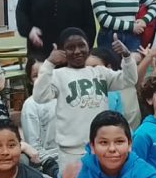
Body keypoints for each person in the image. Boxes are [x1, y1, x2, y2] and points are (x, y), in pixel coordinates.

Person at [32, 27, 137, 168]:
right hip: (71, 152)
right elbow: (40, 97)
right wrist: (49, 63)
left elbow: (130, 79)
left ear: (89, 46)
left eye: (81, 45)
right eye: (70, 47)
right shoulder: (58, 75)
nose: (77, 51)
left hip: (101, 147)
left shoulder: (101, 72)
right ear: (61, 50)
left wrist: (126, 55)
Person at [20, 61, 60, 178]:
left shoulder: (66, 97)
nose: (42, 79)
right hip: (50, 162)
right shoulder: (31, 105)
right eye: (36, 75)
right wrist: (52, 166)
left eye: (45, 74)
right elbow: (34, 145)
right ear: (30, 80)